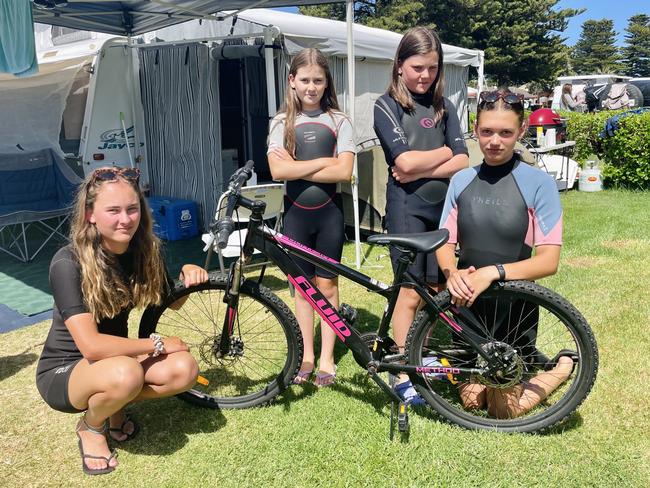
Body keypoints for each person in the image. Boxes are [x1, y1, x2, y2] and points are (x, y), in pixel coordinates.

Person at [35, 167, 209, 475]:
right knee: (126, 372)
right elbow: (91, 347)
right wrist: (155, 344)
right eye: (112, 210)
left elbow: (175, 301)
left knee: (184, 369)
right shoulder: (68, 262)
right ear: (91, 214)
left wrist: (186, 275)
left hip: (115, 360)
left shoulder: (144, 250)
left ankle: (114, 403)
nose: (125, 219)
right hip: (66, 370)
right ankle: (91, 426)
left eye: (132, 209)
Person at [436, 89, 574, 418]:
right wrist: (451, 274)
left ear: (521, 132)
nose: (495, 141)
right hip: (468, 304)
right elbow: (444, 242)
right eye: (486, 132)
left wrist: (491, 272)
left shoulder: (539, 183)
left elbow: (548, 261)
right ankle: (480, 372)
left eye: (505, 133)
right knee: (472, 401)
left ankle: (564, 365)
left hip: (515, 308)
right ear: (475, 128)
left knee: (504, 411)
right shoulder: (461, 181)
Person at [373, 26, 469, 402]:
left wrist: (425, 165)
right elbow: (403, 160)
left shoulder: (445, 106)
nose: (425, 75)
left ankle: (422, 355)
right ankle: (401, 368)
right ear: (399, 65)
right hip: (406, 208)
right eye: (417, 67)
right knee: (409, 291)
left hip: (443, 208)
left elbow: (462, 160)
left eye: (432, 67)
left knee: (437, 287)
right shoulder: (386, 105)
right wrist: (441, 155)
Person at [267, 48, 355, 388]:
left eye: (318, 80)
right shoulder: (281, 123)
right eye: (304, 80)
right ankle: (306, 354)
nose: (311, 87)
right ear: (292, 81)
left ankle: (327, 357)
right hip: (296, 216)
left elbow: (345, 171)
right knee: (303, 290)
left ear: (326, 82)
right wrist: (323, 163)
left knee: (328, 285)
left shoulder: (339, 121)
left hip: (329, 214)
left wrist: (298, 167)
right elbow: (277, 170)